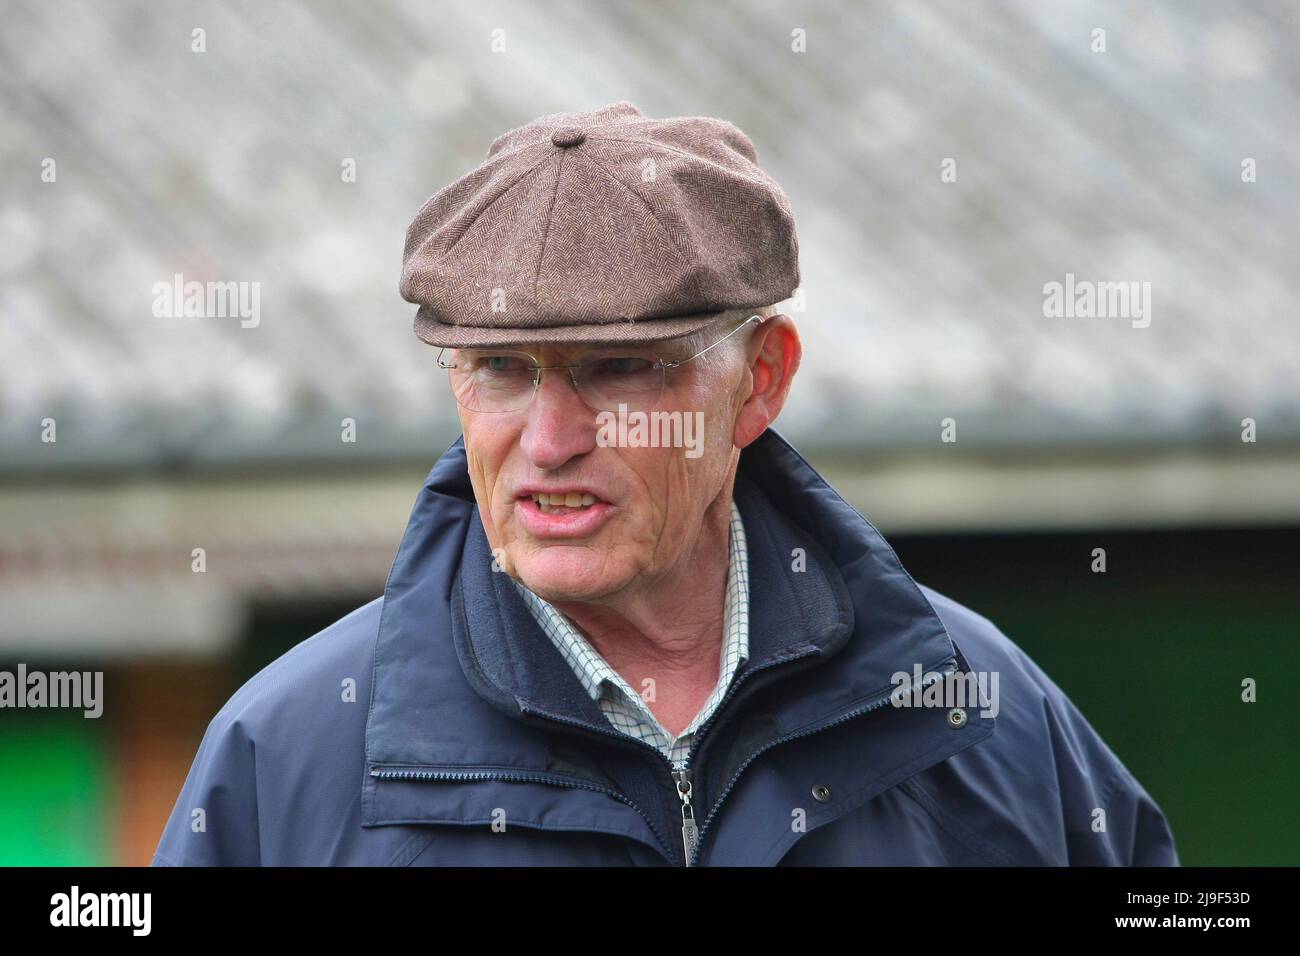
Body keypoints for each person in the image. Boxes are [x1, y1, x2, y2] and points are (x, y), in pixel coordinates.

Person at [153, 101, 1178, 866]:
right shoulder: (281, 758)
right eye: (501, 370)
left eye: (619, 368)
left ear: (759, 380)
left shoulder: (976, 713)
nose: (549, 439)